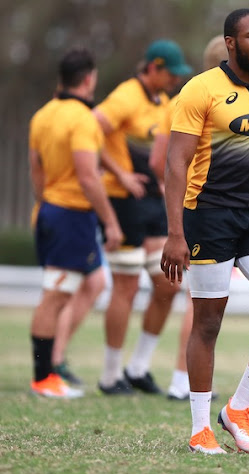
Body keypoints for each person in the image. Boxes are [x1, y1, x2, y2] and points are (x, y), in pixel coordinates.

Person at [161, 8, 249, 455]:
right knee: (208, 322)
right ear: (229, 43)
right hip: (208, 215)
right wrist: (175, 233)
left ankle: (238, 410)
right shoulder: (199, 90)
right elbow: (174, 164)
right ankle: (200, 428)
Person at [94, 39, 192, 395]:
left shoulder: (163, 103)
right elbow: (92, 128)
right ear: (153, 67)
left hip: (152, 201)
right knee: (127, 286)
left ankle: (138, 367)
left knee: (168, 284)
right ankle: (109, 375)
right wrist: (119, 173)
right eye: (170, 73)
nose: (174, 80)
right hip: (123, 200)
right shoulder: (126, 96)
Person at [28, 48, 123, 398]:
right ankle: (44, 376)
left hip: (53, 210)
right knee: (55, 295)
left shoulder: (43, 115)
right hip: (72, 214)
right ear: (89, 79)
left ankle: (53, 362)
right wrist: (110, 222)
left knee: (94, 280)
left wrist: (43, 205)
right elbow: (87, 176)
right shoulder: (82, 119)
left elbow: (35, 169)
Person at [149, 35, 228, 401]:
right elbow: (163, 162)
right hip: (203, 208)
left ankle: (173, 376)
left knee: (193, 300)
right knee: (198, 302)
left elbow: (159, 162)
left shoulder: (184, 99)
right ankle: (182, 381)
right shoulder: (198, 99)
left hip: (201, 208)